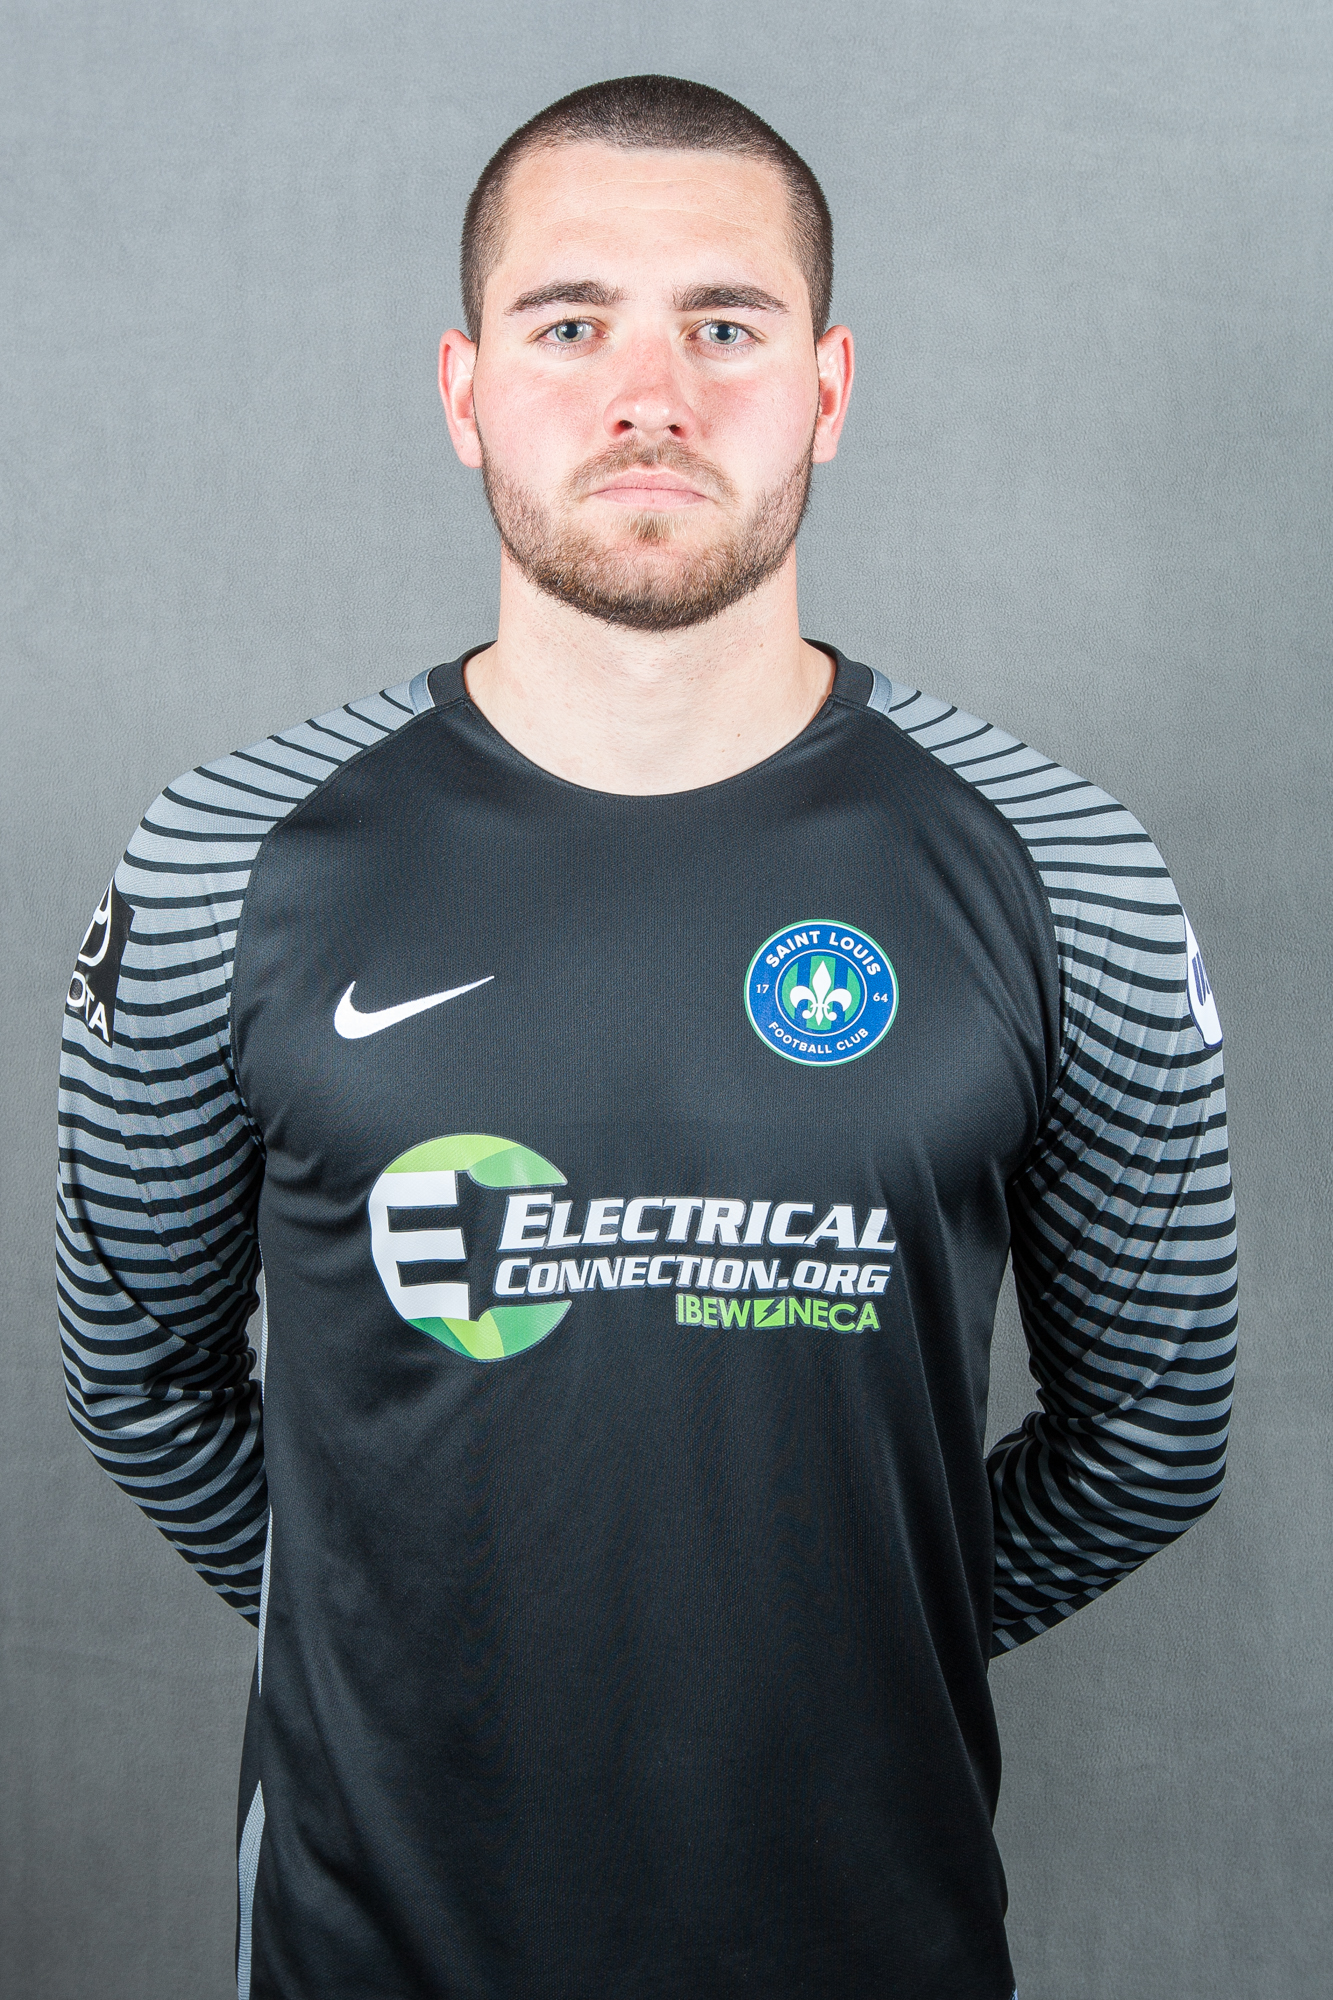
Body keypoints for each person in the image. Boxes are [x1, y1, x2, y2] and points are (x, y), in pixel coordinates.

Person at [56, 74, 1237, 2000]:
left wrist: (851, 1647)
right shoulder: (223, 857)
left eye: (725, 325)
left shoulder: (1064, 867)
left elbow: (1153, 1438)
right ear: (463, 389)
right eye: (568, 322)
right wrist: (397, 1639)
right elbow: (137, 1375)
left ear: (829, 386)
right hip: (369, 1952)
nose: (648, 395)